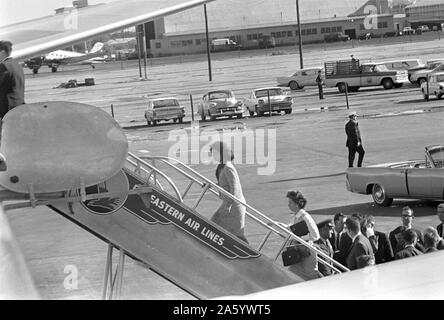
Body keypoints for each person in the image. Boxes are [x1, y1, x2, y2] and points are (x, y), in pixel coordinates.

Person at [209, 141, 248, 243]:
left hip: (234, 206)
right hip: (229, 204)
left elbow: (234, 188)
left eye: (215, 153)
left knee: (237, 234)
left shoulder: (228, 167)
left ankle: (253, 255)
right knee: (215, 225)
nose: (213, 156)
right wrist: (211, 185)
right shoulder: (222, 166)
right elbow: (224, 184)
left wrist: (229, 205)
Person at [285, 190, 321, 280]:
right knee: (292, 276)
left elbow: (316, 236)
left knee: (309, 279)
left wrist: (300, 238)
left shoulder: (305, 217)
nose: (288, 205)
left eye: (290, 202)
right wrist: (276, 224)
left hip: (307, 253)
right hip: (297, 252)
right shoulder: (294, 216)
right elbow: (290, 229)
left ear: (297, 204)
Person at [0, 41, 25, 118]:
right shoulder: (16, 64)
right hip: (19, 105)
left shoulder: (3, 66)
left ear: (2, 52)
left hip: (7, 107)